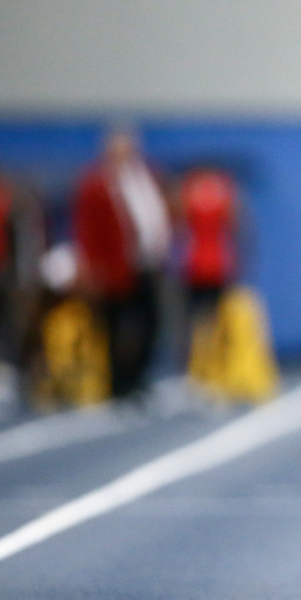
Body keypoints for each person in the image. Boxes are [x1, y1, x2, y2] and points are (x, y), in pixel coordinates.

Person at [73, 124, 172, 401]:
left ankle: (137, 378)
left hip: (146, 264)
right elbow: (87, 230)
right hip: (113, 269)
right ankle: (117, 383)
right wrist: (92, 267)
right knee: (113, 326)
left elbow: (156, 214)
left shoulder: (145, 176)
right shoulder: (97, 183)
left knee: (151, 321)